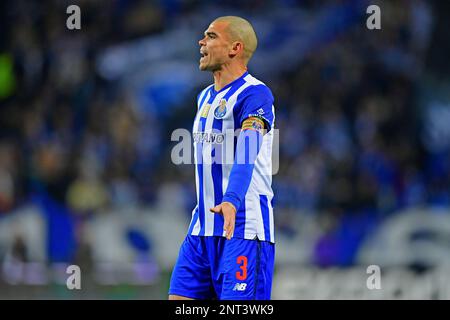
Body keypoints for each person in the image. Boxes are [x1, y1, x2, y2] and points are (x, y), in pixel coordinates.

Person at [168, 16, 276, 300]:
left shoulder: (255, 94)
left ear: (235, 48)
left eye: (211, 36)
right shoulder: (203, 97)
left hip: (244, 229)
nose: (201, 42)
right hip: (202, 229)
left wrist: (231, 200)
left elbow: (248, 149)